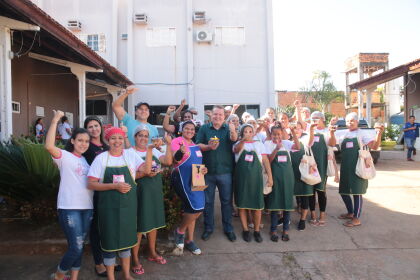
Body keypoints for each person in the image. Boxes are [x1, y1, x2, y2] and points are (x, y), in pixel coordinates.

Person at [88, 127, 146, 280]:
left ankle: (127, 275)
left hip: (128, 209)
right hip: (108, 210)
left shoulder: (129, 156)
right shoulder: (101, 159)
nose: (117, 141)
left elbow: (146, 169)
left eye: (120, 138)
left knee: (126, 242)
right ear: (107, 140)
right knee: (109, 243)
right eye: (113, 138)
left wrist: (151, 149)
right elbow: (91, 184)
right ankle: (111, 277)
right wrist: (114, 186)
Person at [45, 110, 92, 280]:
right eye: (80, 140)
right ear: (72, 141)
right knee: (76, 246)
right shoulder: (64, 156)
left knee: (78, 245)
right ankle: (58, 275)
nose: (83, 144)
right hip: (69, 207)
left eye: (86, 141)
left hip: (87, 208)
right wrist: (56, 119)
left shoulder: (85, 161)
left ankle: (73, 278)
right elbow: (49, 146)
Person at [130, 125, 173, 275]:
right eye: (140, 135)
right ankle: (134, 259)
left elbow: (168, 161)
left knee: (153, 223)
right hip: (139, 192)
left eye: (145, 135)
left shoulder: (154, 150)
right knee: (140, 226)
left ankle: (152, 252)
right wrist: (145, 173)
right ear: (135, 137)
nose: (143, 138)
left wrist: (168, 144)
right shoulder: (129, 152)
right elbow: (129, 175)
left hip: (154, 191)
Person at [329, 112, 384, 227]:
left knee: (357, 193)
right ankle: (350, 212)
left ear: (357, 122)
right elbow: (332, 143)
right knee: (343, 192)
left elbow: (374, 146)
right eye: (348, 121)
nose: (350, 123)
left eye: (352, 121)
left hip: (358, 168)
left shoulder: (362, 134)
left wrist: (379, 133)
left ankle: (356, 218)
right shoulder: (343, 134)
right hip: (345, 168)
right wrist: (332, 133)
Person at [82, 116, 119, 277]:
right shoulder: (85, 146)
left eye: (96, 126)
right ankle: (99, 263)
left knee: (108, 226)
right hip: (95, 191)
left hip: (110, 191)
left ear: (101, 127)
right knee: (96, 228)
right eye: (90, 127)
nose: (94, 129)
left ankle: (109, 259)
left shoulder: (106, 145)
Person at [196, 105, 238, 242]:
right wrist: (208, 147)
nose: (218, 117)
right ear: (211, 115)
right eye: (215, 114)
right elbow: (198, 146)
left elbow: (234, 139)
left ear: (224, 116)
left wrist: (233, 130)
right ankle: (209, 228)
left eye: (220, 114)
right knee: (208, 202)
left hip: (225, 172)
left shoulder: (227, 128)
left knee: (226, 202)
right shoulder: (204, 128)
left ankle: (228, 228)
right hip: (207, 172)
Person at [171, 121, 208, 255]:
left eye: (192, 129)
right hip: (182, 176)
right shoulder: (177, 141)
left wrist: (204, 170)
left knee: (198, 207)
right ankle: (181, 231)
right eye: (187, 128)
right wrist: (180, 152)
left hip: (198, 175)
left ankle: (189, 240)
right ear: (182, 130)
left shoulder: (195, 145)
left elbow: (198, 162)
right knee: (194, 207)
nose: (190, 131)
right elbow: (175, 160)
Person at [233, 124, 273, 242]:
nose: (248, 133)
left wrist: (270, 177)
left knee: (257, 206)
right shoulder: (237, 144)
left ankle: (256, 231)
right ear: (242, 133)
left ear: (254, 133)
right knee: (242, 206)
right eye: (245, 131)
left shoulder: (259, 145)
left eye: (250, 131)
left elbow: (265, 161)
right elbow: (236, 150)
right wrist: (243, 140)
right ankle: (245, 230)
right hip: (241, 180)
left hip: (256, 180)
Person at [265, 125, 299, 241]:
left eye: (279, 134)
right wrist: (276, 149)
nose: (277, 136)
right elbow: (268, 161)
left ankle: (285, 230)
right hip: (275, 178)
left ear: (282, 134)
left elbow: (298, 147)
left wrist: (293, 133)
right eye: (274, 134)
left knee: (287, 205)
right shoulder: (268, 144)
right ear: (271, 134)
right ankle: (273, 229)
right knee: (275, 204)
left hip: (288, 178)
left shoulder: (286, 142)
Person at [289, 122, 316, 230]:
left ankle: (302, 220)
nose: (297, 130)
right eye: (295, 128)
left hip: (304, 173)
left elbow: (310, 140)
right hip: (291, 173)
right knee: (289, 197)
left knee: (305, 197)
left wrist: (312, 130)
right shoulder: (287, 142)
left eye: (299, 129)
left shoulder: (304, 141)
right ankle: (285, 218)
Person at [307, 111, 330, 226]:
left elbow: (332, 144)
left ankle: (322, 215)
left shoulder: (327, 132)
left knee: (321, 191)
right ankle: (313, 215)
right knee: (311, 192)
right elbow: (308, 144)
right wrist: (311, 130)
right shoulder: (309, 131)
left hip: (321, 166)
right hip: (310, 165)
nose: (314, 120)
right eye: (312, 118)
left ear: (322, 119)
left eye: (317, 118)